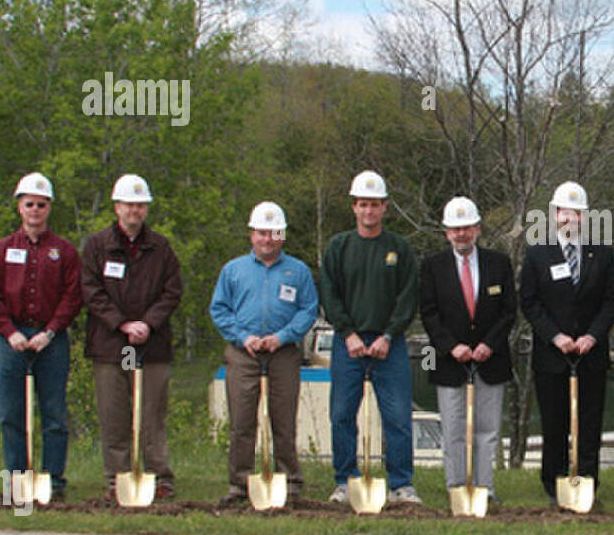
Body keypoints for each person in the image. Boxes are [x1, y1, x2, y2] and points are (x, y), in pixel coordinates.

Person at [320, 170, 422, 505]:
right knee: (342, 415)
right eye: (363, 204)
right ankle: (345, 482)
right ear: (354, 207)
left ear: (384, 207)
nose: (368, 211)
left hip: (387, 346)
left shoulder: (398, 248)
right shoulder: (339, 247)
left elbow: (408, 297)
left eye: (375, 205)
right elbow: (329, 294)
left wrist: (389, 335)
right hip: (348, 344)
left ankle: (401, 485)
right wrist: (347, 333)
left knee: (397, 417)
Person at [0, 173, 82, 502]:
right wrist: (9, 332)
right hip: (12, 338)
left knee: (53, 412)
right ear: (19, 207)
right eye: (29, 204)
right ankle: (17, 479)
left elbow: (72, 296)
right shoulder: (2, 250)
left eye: (41, 204)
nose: (35, 209)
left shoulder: (63, 251)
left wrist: (50, 332)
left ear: (49, 208)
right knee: (12, 412)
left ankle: (53, 480)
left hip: (51, 339)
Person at [209, 201, 318, 504]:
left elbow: (308, 310)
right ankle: (240, 484)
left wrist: (282, 337)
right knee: (242, 421)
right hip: (243, 354)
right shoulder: (233, 271)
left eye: (273, 233)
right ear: (251, 235)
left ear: (282, 236)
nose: (267, 239)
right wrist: (242, 336)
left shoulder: (298, 272)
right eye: (261, 233)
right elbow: (219, 309)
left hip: (283, 354)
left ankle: (290, 482)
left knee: (283, 420)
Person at [81, 174, 183, 500]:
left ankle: (159, 477)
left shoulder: (161, 247)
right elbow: (91, 291)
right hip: (113, 346)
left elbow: (172, 291)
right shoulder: (97, 246)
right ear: (117, 207)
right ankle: (117, 478)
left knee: (152, 413)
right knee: (115, 414)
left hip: (150, 346)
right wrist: (122, 324)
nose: (135, 211)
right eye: (129, 205)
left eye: (141, 205)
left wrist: (147, 324)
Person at [519, 182, 614, 503]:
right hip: (552, 355)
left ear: (585, 216)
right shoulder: (537, 253)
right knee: (555, 422)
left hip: (591, 353)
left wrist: (593, 335)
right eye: (564, 211)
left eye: (576, 212)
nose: (570, 218)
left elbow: (611, 301)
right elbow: (530, 303)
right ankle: (555, 483)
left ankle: (588, 481)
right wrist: (556, 336)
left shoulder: (603, 253)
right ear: (554, 214)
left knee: (590, 423)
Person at [419, 197, 517, 502]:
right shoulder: (432, 266)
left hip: (491, 360)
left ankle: (486, 490)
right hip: (450, 363)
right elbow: (429, 313)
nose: (461, 234)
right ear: (446, 232)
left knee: (487, 431)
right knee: (454, 431)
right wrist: (451, 347)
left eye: (467, 227)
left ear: (477, 228)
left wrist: (489, 343)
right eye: (455, 229)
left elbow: (508, 311)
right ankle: (457, 488)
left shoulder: (498, 263)